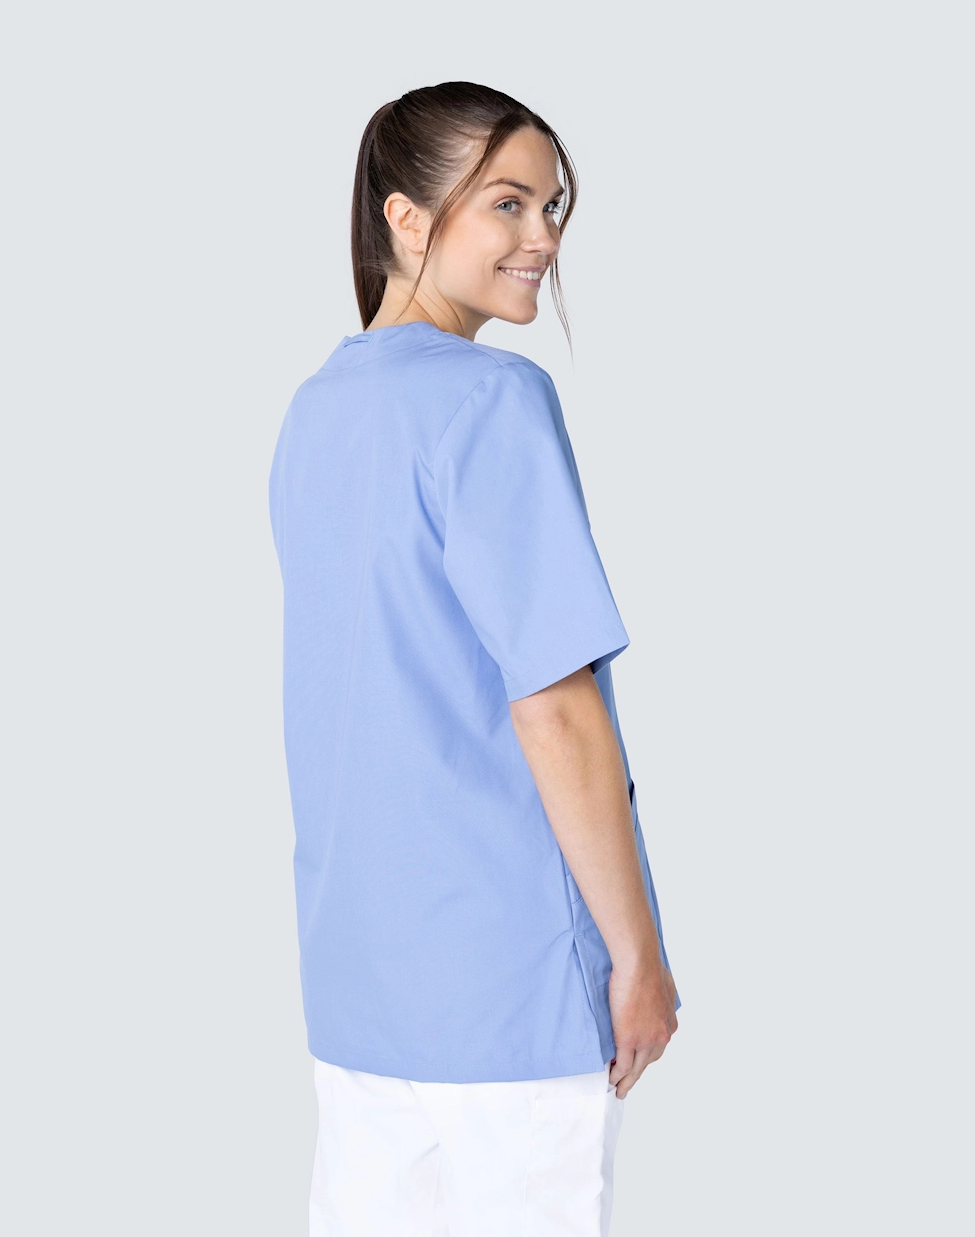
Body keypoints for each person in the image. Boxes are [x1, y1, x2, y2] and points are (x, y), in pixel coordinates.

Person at [268, 81, 680, 1237]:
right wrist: (637, 952)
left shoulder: (314, 412)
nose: (541, 236)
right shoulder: (494, 398)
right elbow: (554, 704)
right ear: (406, 218)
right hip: (509, 979)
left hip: (358, 983)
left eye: (551, 205)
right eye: (507, 202)